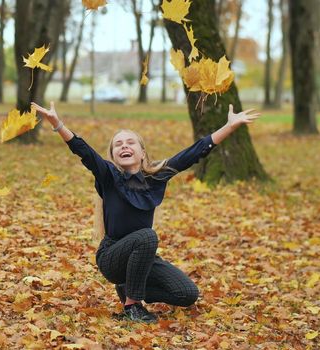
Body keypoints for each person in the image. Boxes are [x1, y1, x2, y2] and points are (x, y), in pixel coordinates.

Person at [31, 101, 260, 323]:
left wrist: (229, 126)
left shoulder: (156, 177)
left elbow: (193, 153)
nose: (124, 146)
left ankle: (128, 289)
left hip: (142, 257)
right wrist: (57, 123)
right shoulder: (108, 176)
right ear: (113, 155)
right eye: (118, 144)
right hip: (112, 257)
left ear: (142, 153)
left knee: (187, 294)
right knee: (147, 235)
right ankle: (132, 306)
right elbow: (84, 151)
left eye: (130, 143)